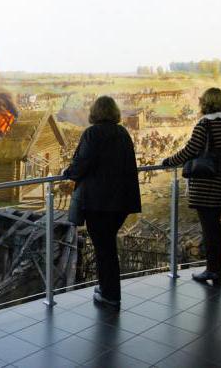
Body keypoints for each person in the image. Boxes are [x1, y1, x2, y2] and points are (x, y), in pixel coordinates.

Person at [63, 96, 141, 309]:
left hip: (98, 202)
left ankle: (110, 294)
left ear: (94, 112)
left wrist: (67, 173)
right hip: (121, 201)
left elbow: (82, 163)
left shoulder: (92, 133)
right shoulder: (123, 133)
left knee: (104, 249)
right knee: (107, 246)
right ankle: (108, 289)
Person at [163, 88, 221, 285]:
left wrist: (169, 161)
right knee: (215, 226)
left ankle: (213, 270)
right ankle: (215, 268)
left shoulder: (205, 125)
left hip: (207, 184)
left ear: (205, 103)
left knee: (209, 229)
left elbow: (191, 149)